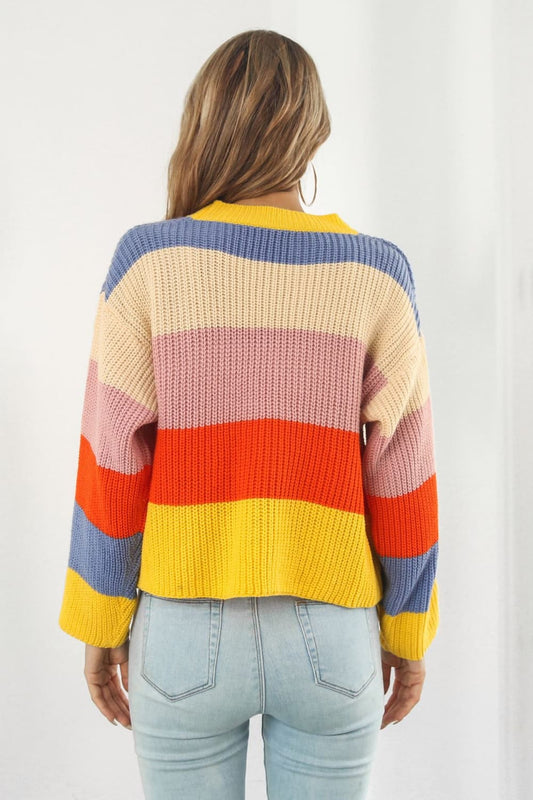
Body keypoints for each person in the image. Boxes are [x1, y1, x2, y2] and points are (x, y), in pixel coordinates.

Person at [58, 28, 439, 800]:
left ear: (205, 121)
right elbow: (404, 476)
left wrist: (100, 622)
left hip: (182, 632)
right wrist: (407, 630)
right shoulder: (376, 274)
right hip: (332, 635)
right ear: (314, 132)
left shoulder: (149, 264)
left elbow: (111, 463)